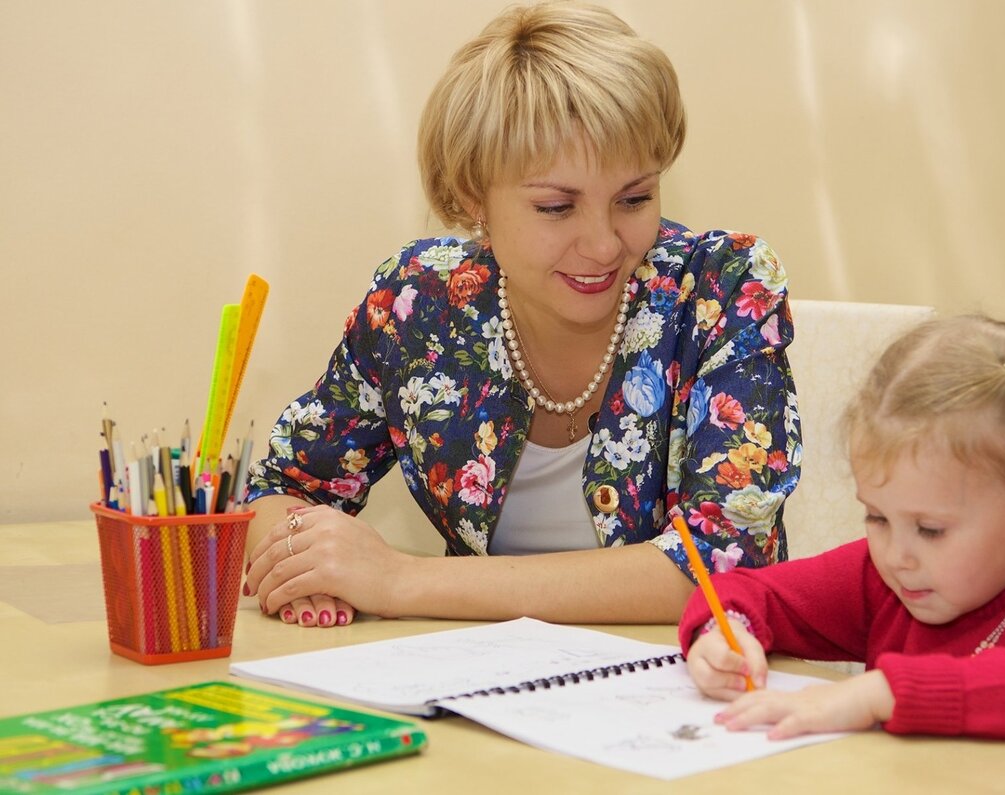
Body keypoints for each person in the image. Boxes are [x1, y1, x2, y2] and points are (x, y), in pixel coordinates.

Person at [242, 1, 800, 629]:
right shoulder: (418, 303)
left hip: (694, 694)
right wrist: (306, 566)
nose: (603, 244)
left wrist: (400, 579)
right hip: (478, 695)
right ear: (471, 197)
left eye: (634, 197)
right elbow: (283, 488)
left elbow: (720, 569)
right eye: (557, 207)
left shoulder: (722, 288)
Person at [679, 314, 1005, 751]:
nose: (896, 554)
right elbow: (744, 592)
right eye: (878, 518)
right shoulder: (885, 581)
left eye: (930, 529)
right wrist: (725, 635)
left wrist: (884, 691)